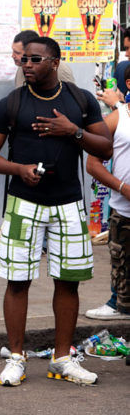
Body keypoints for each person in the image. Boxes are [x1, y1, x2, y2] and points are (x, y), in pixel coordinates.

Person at [0, 36, 111, 387]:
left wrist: (74, 131)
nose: (27, 65)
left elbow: (106, 147)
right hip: (23, 203)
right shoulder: (12, 103)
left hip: (69, 203)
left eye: (35, 60)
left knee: (68, 282)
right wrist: (18, 169)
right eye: (23, 60)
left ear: (54, 62)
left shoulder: (79, 99)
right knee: (17, 280)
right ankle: (16, 358)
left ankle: (62, 358)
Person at [86, 83, 130, 325]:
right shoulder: (117, 118)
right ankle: (117, 303)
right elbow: (93, 164)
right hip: (124, 209)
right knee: (121, 261)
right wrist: (123, 188)